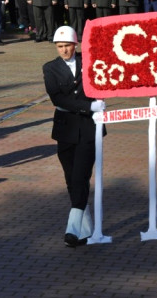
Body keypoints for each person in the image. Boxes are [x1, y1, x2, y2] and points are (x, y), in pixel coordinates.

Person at [43, 25, 105, 247]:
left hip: (88, 128)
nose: (64, 50)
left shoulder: (89, 61)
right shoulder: (50, 68)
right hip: (65, 128)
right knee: (71, 180)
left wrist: (99, 101)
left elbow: (102, 79)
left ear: (75, 44)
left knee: (80, 176)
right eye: (59, 47)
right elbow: (58, 98)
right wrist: (89, 106)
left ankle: (72, 228)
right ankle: (86, 230)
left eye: (67, 46)